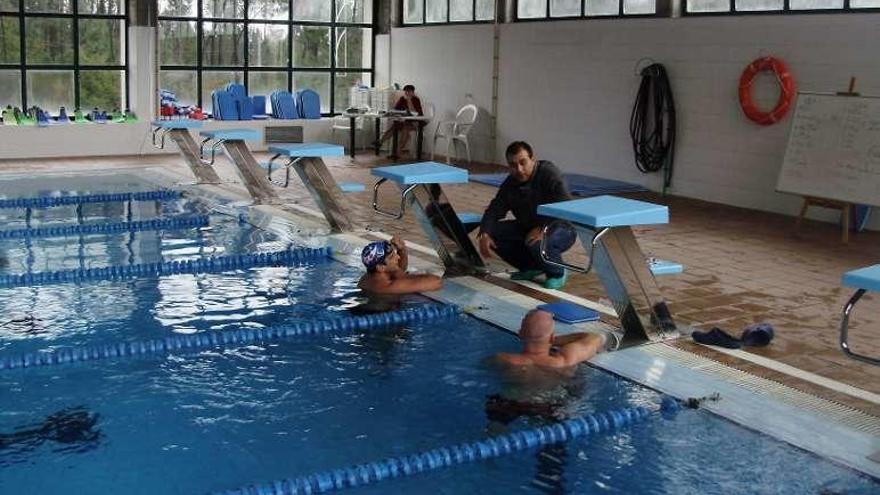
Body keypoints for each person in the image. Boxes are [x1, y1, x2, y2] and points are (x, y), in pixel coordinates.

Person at [478, 141, 576, 290]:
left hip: (561, 226)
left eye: (523, 162)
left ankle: (557, 272)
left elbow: (567, 207)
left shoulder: (549, 174)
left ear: (533, 159)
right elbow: (494, 209)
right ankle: (531, 266)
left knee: (536, 242)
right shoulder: (511, 182)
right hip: (528, 226)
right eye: (513, 165)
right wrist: (485, 233)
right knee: (493, 233)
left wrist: (544, 228)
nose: (519, 169)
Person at [494, 310, 613, 369]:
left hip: (509, 406)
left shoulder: (503, 359)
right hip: (551, 408)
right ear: (552, 337)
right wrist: (548, 341)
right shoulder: (563, 361)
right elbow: (595, 337)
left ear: (520, 334)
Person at [358, 235, 443, 295]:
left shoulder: (369, 277)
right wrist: (406, 276)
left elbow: (398, 271)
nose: (398, 257)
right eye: (392, 257)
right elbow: (436, 282)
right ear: (381, 267)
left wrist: (401, 249)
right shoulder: (386, 287)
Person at [376, 84, 424, 157]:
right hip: (403, 121)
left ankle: (397, 152)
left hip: (414, 122)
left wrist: (409, 101)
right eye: (405, 92)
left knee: (405, 130)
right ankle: (380, 142)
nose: (406, 93)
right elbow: (396, 109)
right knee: (393, 128)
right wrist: (399, 113)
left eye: (408, 91)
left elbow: (418, 113)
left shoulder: (416, 100)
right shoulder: (402, 99)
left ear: (412, 92)